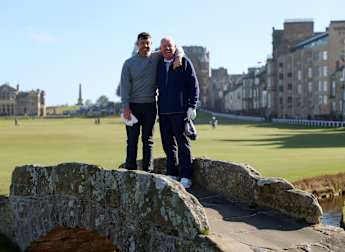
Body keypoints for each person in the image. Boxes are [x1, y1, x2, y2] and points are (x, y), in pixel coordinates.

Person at [120, 32, 183, 172]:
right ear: (137, 45)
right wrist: (125, 107)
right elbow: (124, 87)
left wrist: (179, 56)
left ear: (151, 44)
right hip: (133, 107)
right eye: (142, 43)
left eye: (148, 43)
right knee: (132, 140)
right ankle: (130, 169)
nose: (145, 46)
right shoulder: (129, 63)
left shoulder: (156, 57)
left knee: (148, 140)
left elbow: (175, 48)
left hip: (150, 106)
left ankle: (147, 170)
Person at [156, 36, 199, 189]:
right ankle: (172, 173)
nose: (167, 48)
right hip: (163, 111)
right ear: (160, 49)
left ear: (175, 47)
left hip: (180, 110)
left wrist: (192, 106)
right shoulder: (158, 62)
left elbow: (193, 84)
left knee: (183, 144)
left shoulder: (184, 61)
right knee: (168, 144)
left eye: (170, 46)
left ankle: (186, 176)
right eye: (164, 46)